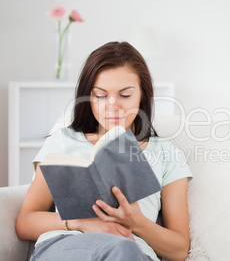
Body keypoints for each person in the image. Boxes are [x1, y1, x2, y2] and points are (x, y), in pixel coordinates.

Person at [16, 41, 193, 261]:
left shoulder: (167, 154)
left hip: (131, 251)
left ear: (142, 95)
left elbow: (179, 250)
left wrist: (136, 222)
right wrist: (82, 223)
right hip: (67, 247)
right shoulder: (63, 141)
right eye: (100, 95)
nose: (112, 105)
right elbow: (25, 222)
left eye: (125, 95)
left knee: (122, 251)